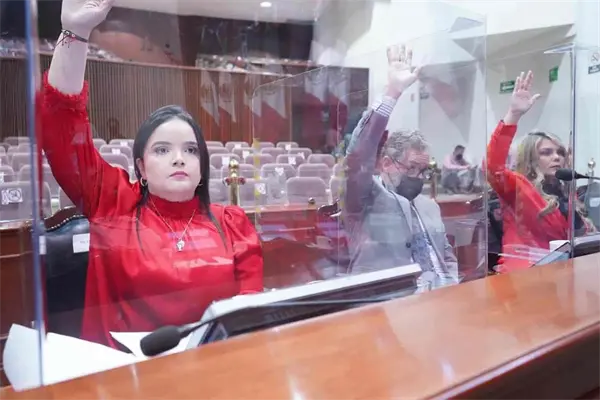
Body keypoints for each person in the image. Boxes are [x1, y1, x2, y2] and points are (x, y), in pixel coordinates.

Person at [39, 0, 263, 348]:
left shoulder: (233, 225)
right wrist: (76, 32)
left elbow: (249, 317)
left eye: (191, 150)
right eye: (162, 150)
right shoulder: (114, 204)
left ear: (202, 167)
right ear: (141, 167)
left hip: (214, 365)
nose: (179, 159)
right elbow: (60, 125)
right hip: (126, 369)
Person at [343, 44, 458, 284]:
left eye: (424, 171)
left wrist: (452, 286)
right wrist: (392, 93)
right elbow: (358, 157)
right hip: (390, 298)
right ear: (386, 163)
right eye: (411, 168)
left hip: (442, 295)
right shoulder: (366, 197)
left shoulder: (430, 207)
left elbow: (447, 258)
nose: (418, 177)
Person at [486, 70, 595, 273]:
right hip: (525, 273)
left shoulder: (565, 191)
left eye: (560, 152)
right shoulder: (518, 186)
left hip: (563, 272)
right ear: (531, 158)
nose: (557, 157)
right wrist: (513, 115)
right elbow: (493, 167)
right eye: (546, 153)